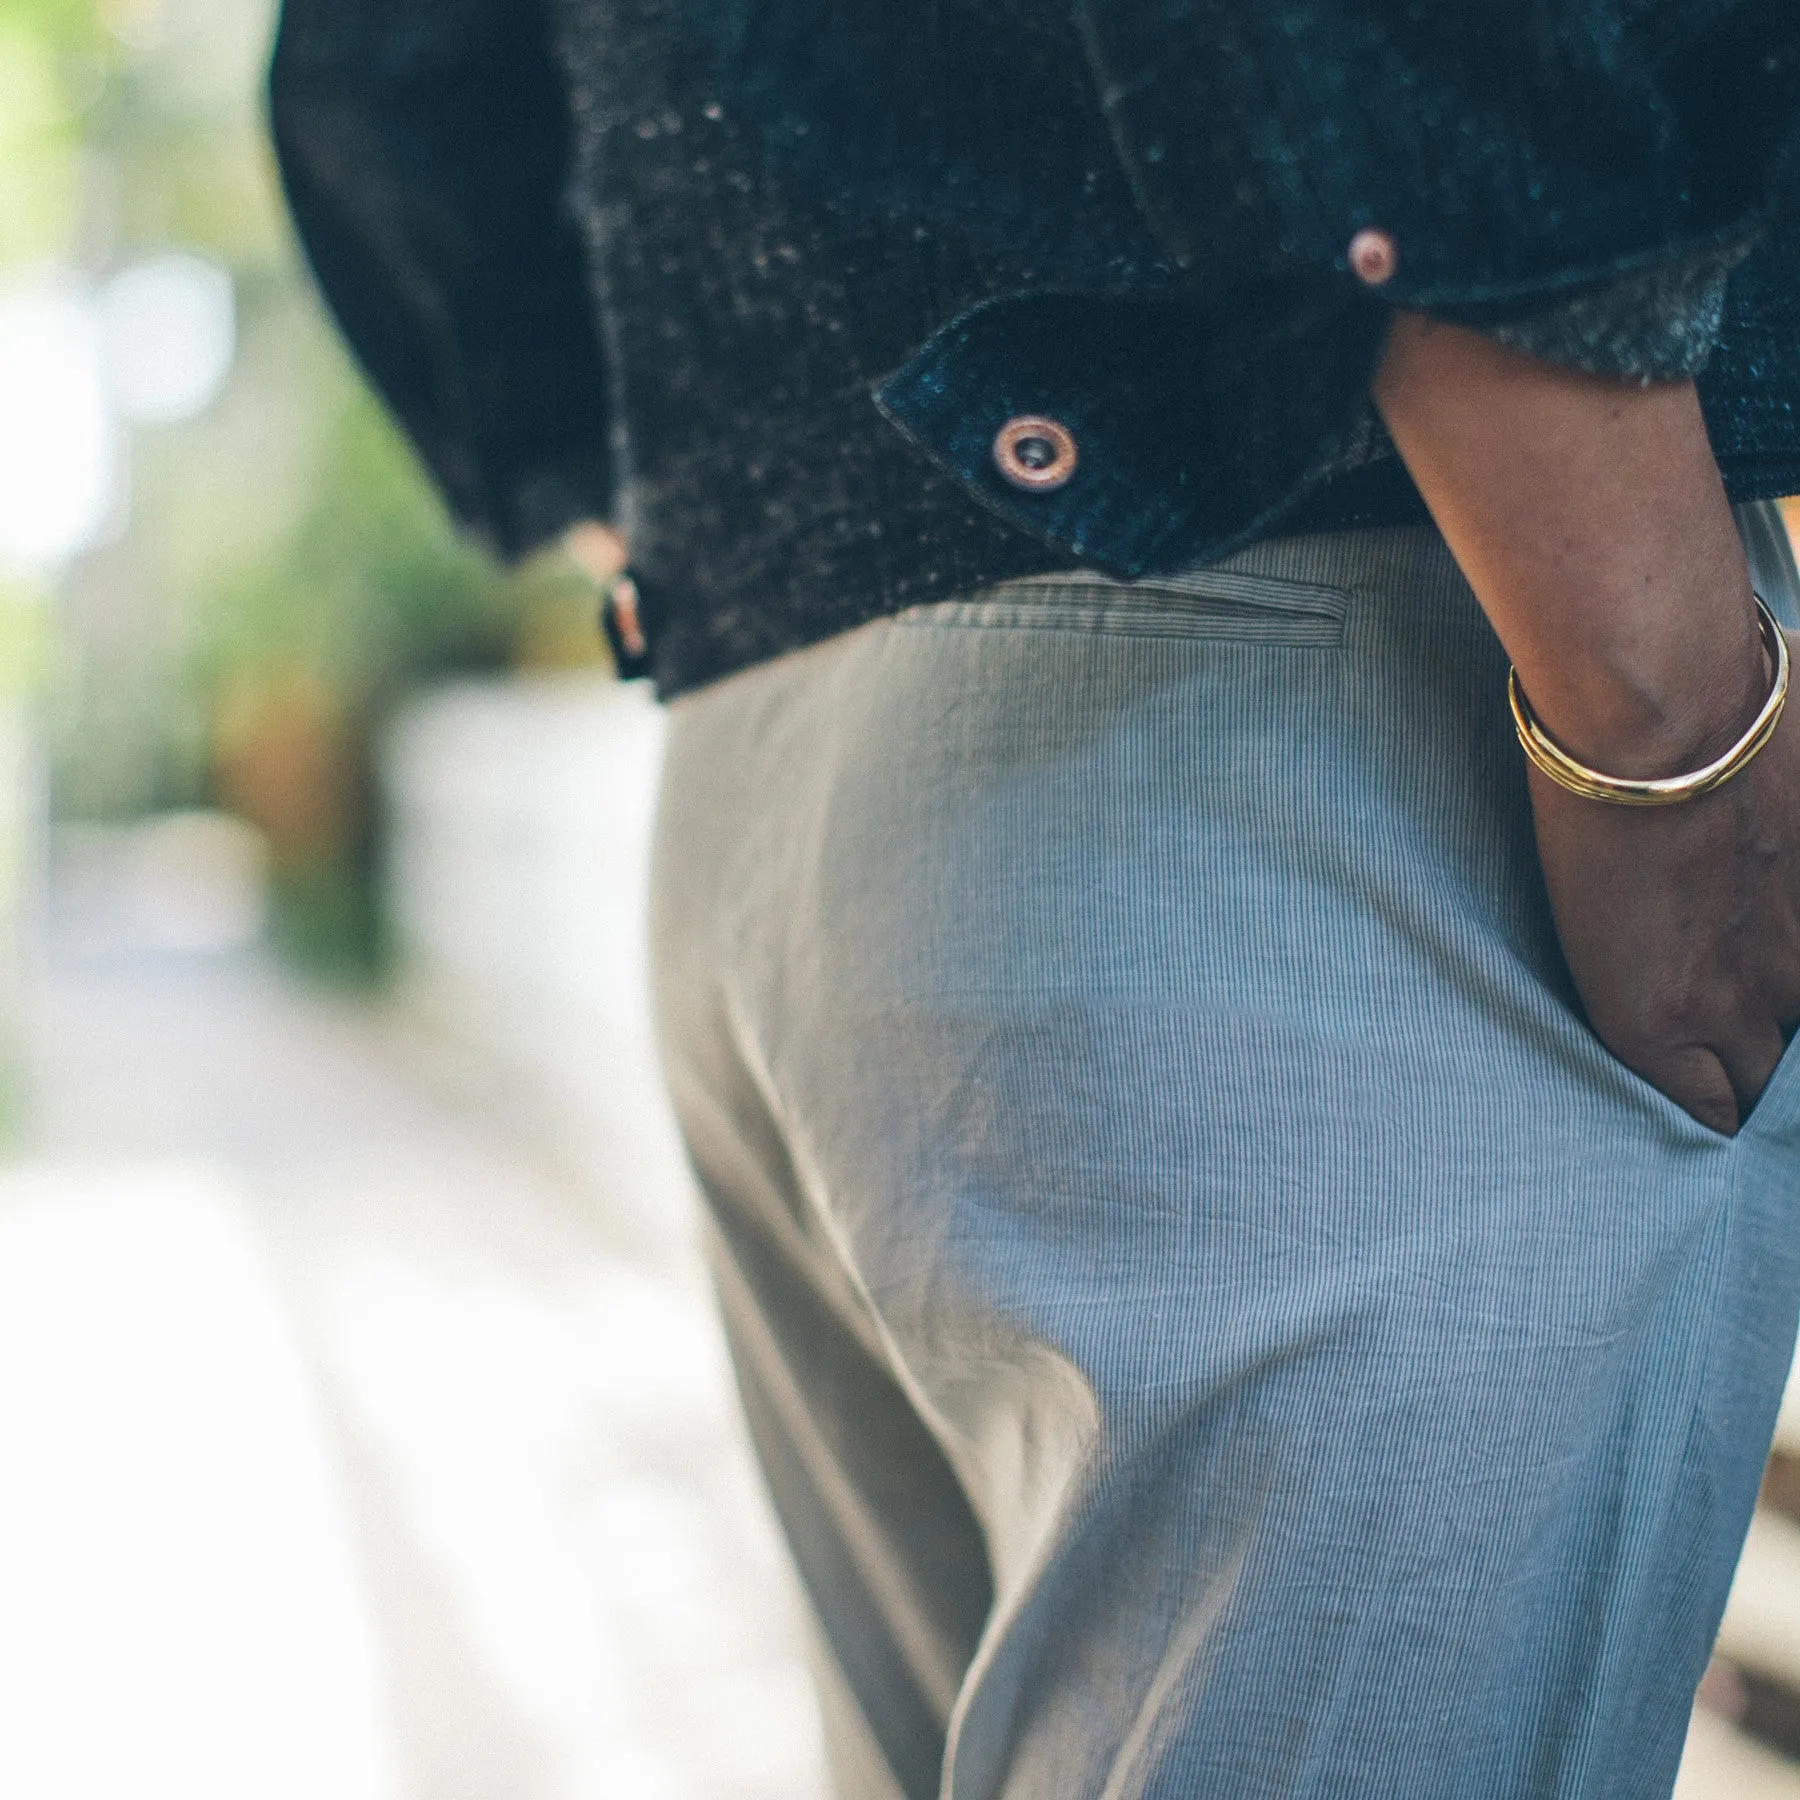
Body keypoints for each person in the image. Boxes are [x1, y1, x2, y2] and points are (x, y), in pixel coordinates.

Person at [268, 3, 1800, 1793]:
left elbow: (385, 69)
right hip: (1347, 685)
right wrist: (1664, 699)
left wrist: (744, 490)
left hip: (788, 779)